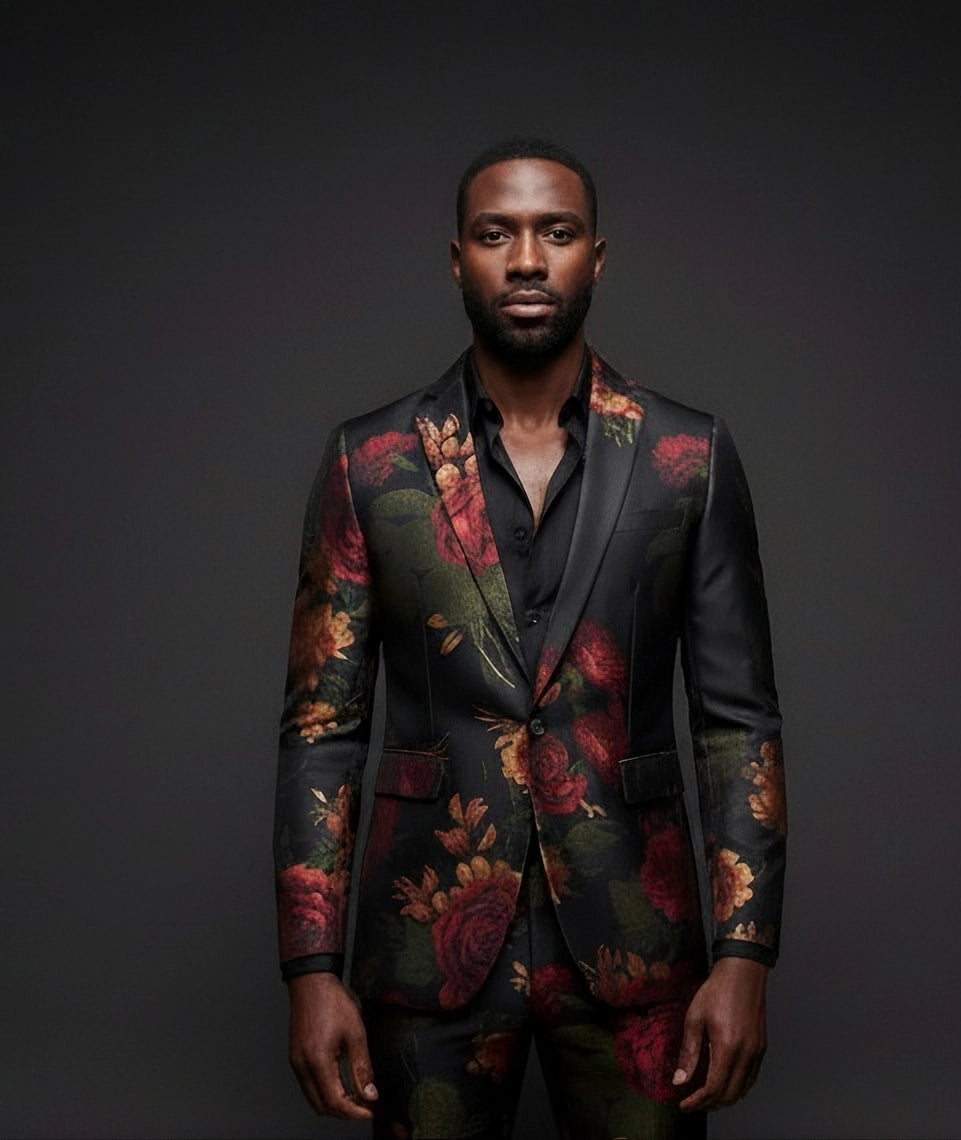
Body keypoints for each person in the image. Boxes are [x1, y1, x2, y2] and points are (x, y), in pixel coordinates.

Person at [274, 138, 786, 1139]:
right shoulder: (367, 462)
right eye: (493, 233)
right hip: (426, 944)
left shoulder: (688, 457)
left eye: (553, 232)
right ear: (455, 258)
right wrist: (308, 970)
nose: (523, 259)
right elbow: (320, 731)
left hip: (639, 947)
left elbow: (737, 724)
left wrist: (743, 954)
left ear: (595, 256)